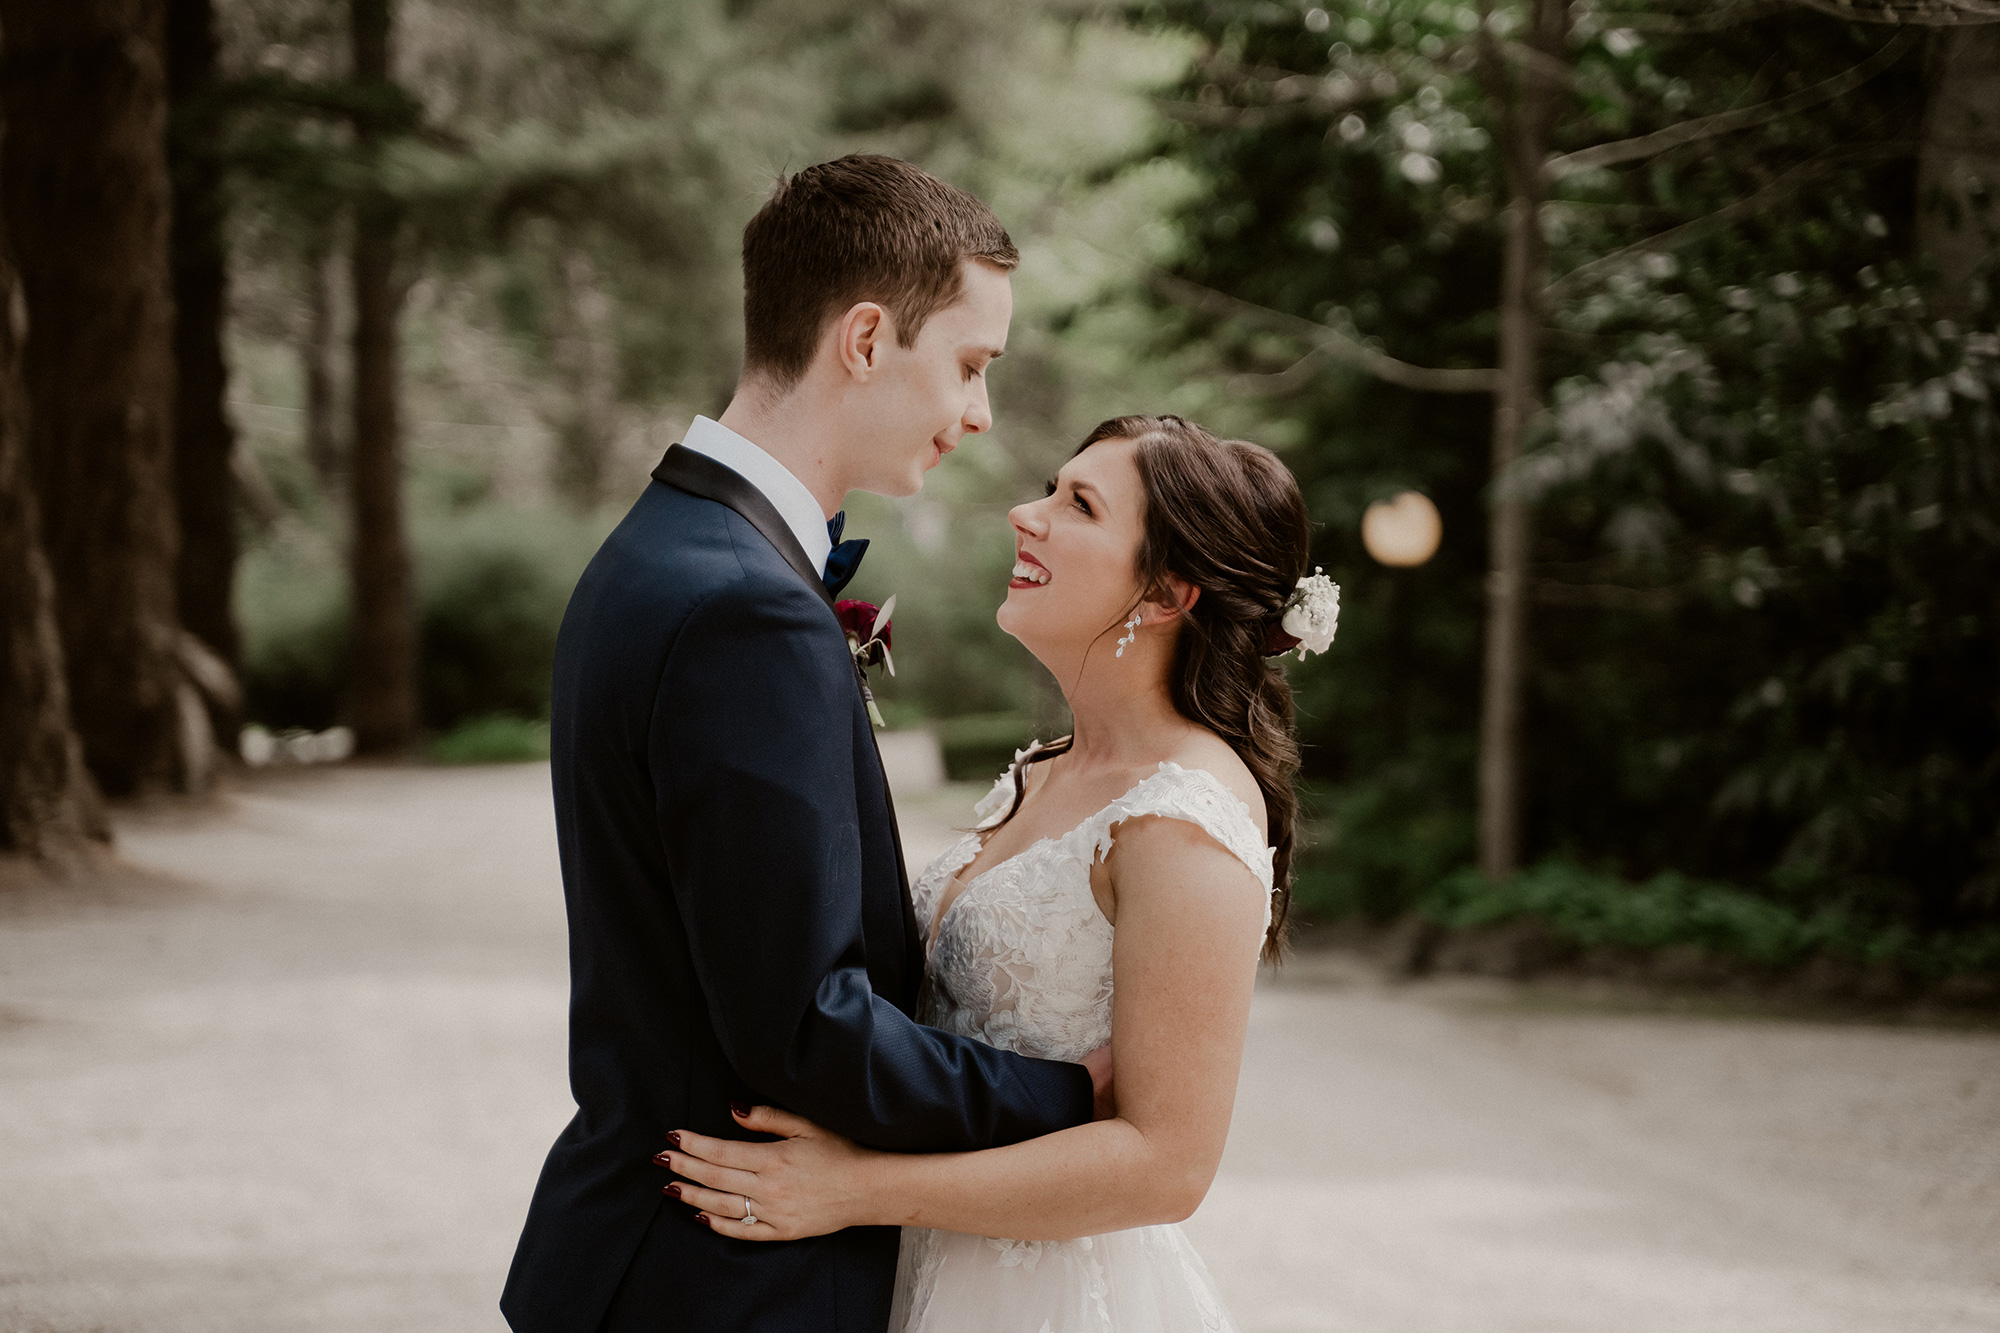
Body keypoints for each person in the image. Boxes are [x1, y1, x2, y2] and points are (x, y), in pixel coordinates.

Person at [500, 155, 1116, 1333]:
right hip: (725, 1283)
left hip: (649, 1255)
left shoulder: (659, 546)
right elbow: (802, 1027)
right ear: (867, 337)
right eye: (971, 366)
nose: (980, 414)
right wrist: (1064, 1093)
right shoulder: (747, 608)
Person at [658, 415, 1339, 1332]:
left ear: (1168, 592)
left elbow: (1167, 1166)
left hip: (1039, 1293)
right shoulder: (1049, 766)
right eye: (1051, 489)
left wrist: (856, 1190)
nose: (1028, 513)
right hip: (922, 1258)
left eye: (1079, 505)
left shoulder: (1185, 820)